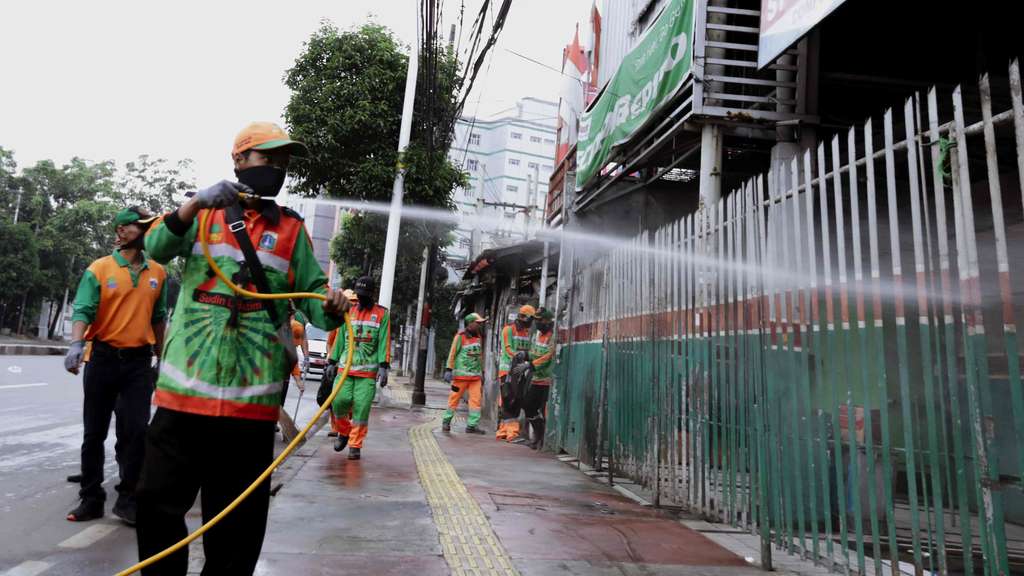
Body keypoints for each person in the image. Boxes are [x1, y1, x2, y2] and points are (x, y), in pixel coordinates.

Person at [136, 121, 351, 575]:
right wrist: (195, 203)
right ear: (238, 160)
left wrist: (332, 305)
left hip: (250, 411)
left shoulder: (291, 230)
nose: (276, 169)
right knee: (157, 508)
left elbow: (315, 301)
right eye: (266, 158)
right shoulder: (201, 215)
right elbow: (155, 246)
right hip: (183, 399)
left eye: (282, 163)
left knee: (237, 531)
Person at [63, 207, 168, 524]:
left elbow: (158, 318)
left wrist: (162, 358)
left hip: (139, 363)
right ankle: (91, 498)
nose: (147, 232)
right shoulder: (100, 268)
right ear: (122, 231)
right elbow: (83, 309)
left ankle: (128, 499)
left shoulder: (158, 273)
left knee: (136, 431)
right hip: (103, 358)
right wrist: (76, 343)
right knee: (94, 432)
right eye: (140, 226)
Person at [328, 276, 390, 460]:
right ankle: (344, 432)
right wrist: (331, 361)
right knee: (338, 402)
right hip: (345, 369)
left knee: (361, 409)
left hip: (367, 373)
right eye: (359, 295)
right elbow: (340, 338)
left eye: (364, 295)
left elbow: (384, 341)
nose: (361, 298)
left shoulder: (382, 314)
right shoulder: (348, 310)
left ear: (372, 294)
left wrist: (384, 366)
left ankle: (355, 445)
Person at [442, 313, 488, 434]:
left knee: (476, 401)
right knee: (454, 399)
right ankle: (446, 421)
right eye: (477, 323)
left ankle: (472, 426)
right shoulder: (460, 337)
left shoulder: (479, 337)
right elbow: (452, 353)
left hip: (475, 378)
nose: (479, 325)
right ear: (470, 324)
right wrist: (448, 369)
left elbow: (479, 356)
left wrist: (482, 372)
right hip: (460, 377)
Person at [496, 304, 535, 442]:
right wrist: (521, 357)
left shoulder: (527, 332)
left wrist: (526, 362)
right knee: (510, 400)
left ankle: (503, 431)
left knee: (511, 400)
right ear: (523, 317)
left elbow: (529, 351)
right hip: (507, 371)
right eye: (530, 319)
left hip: (520, 371)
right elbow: (508, 350)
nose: (531, 322)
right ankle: (512, 434)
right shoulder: (508, 330)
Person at [524, 307, 555, 450]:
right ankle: (539, 431)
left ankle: (543, 439)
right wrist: (525, 356)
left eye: (540, 320)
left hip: (548, 380)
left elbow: (549, 356)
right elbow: (533, 352)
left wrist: (532, 365)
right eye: (536, 320)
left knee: (545, 410)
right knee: (528, 406)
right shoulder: (536, 335)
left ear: (548, 321)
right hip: (536, 379)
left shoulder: (553, 336)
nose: (537, 323)